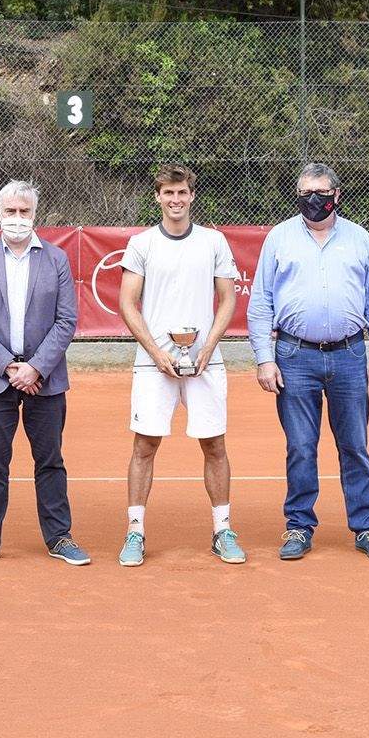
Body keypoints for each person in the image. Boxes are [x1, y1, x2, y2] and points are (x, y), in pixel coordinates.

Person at [248, 163, 369, 562]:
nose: (313, 200)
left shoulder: (359, 238)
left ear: (336, 195)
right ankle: (298, 526)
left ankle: (365, 527)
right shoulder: (279, 238)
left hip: (349, 354)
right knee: (300, 446)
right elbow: (261, 302)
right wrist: (264, 359)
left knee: (355, 445)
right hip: (294, 356)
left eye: (321, 193)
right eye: (305, 193)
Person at [0, 180, 88, 568]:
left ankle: (59, 537)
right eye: (10, 211)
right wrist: (8, 366)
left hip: (45, 379)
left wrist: (35, 367)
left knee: (50, 461)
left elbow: (66, 320)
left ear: (34, 214)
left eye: (24, 212)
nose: (17, 218)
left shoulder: (56, 259)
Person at [117, 165, 243, 566]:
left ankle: (222, 530)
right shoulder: (141, 244)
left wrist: (208, 347)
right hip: (153, 364)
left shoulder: (214, 241)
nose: (176, 200)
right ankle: (135, 532)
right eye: (169, 193)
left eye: (182, 192)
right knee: (144, 445)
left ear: (192, 196)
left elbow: (227, 299)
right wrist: (158, 353)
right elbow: (127, 303)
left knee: (215, 445)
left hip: (205, 362)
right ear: (158, 197)